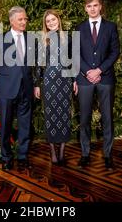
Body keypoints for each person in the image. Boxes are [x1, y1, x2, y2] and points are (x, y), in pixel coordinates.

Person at [76, 0, 120, 170]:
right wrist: (88, 72)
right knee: (84, 117)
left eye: (95, 5)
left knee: (107, 117)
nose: (92, 9)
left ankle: (108, 155)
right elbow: (76, 55)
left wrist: (100, 70)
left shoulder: (111, 27)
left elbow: (115, 52)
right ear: (85, 9)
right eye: (89, 6)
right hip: (85, 80)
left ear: (100, 6)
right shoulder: (79, 28)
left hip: (105, 78)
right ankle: (85, 154)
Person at [0, 6, 34, 171]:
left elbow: (33, 64)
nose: (24, 22)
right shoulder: (0, 39)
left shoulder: (31, 39)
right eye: (20, 19)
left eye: (25, 19)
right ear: (11, 21)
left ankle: (23, 156)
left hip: (26, 88)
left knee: (25, 124)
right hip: (7, 88)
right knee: (6, 124)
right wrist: (7, 78)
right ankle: (6, 157)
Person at [34, 9, 77, 166]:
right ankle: (52, 150)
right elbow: (39, 64)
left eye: (53, 19)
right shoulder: (42, 40)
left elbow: (72, 61)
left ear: (58, 20)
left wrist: (74, 80)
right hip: (49, 83)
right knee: (51, 116)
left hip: (65, 81)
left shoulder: (68, 39)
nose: (51, 23)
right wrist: (37, 84)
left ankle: (62, 150)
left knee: (64, 115)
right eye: (48, 21)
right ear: (45, 24)